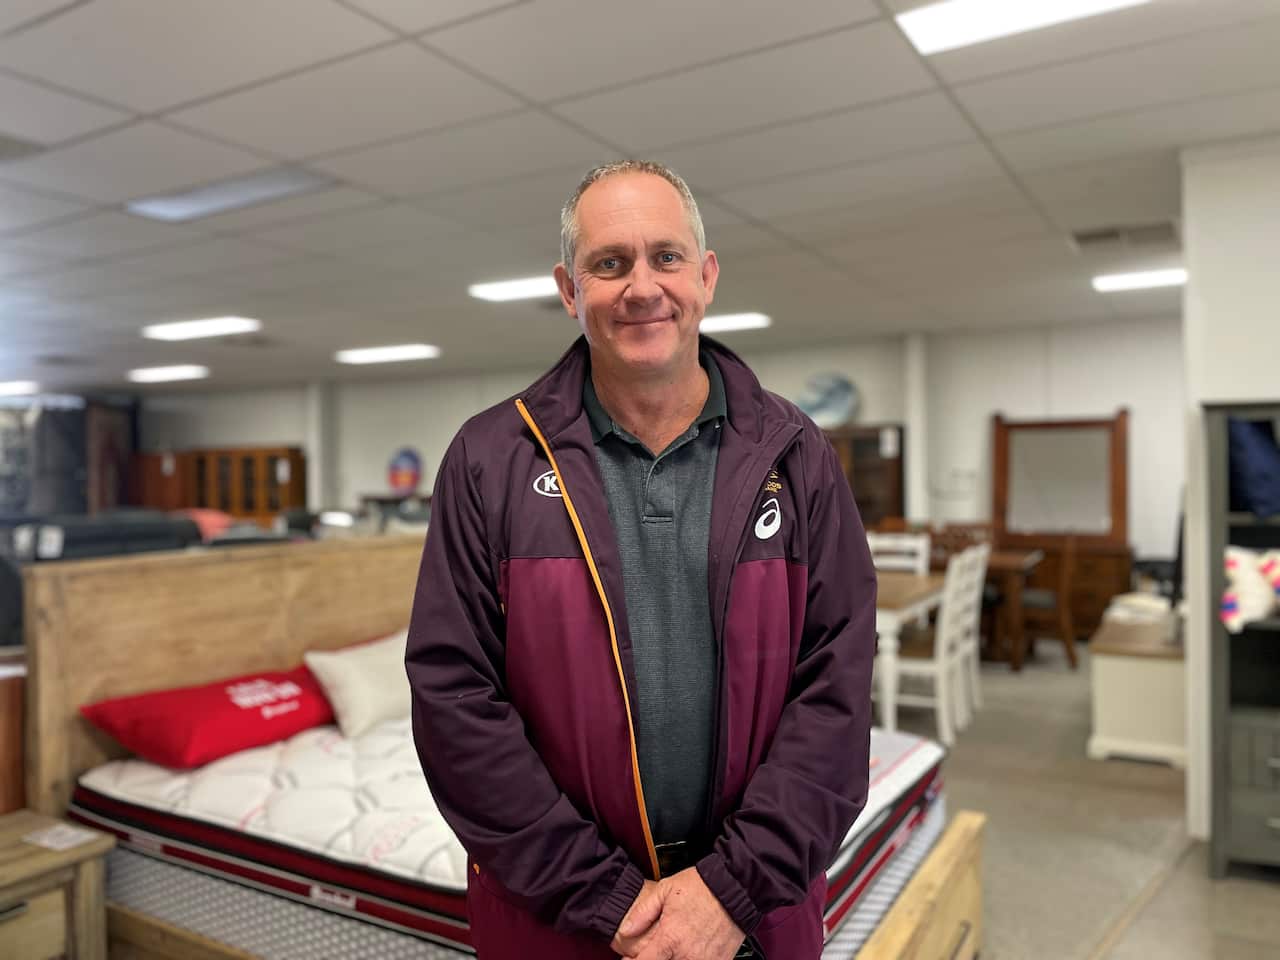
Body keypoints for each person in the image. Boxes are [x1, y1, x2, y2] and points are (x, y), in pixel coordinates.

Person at [406, 160, 877, 960]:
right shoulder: (490, 459)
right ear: (569, 288)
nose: (641, 286)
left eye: (665, 256)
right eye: (609, 262)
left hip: (755, 922)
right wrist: (608, 899)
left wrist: (731, 891)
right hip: (558, 925)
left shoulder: (796, 455)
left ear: (706, 275)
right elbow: (454, 701)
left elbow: (836, 692)